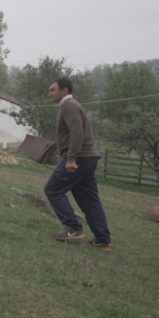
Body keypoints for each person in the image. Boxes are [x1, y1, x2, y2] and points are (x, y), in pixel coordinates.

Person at [44, 77, 112, 250]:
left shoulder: (69, 106)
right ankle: (102, 239)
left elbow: (77, 133)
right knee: (89, 200)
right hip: (88, 158)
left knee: (53, 190)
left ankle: (73, 228)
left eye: (53, 90)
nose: (49, 93)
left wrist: (71, 159)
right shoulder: (72, 106)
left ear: (64, 91)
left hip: (78, 158)